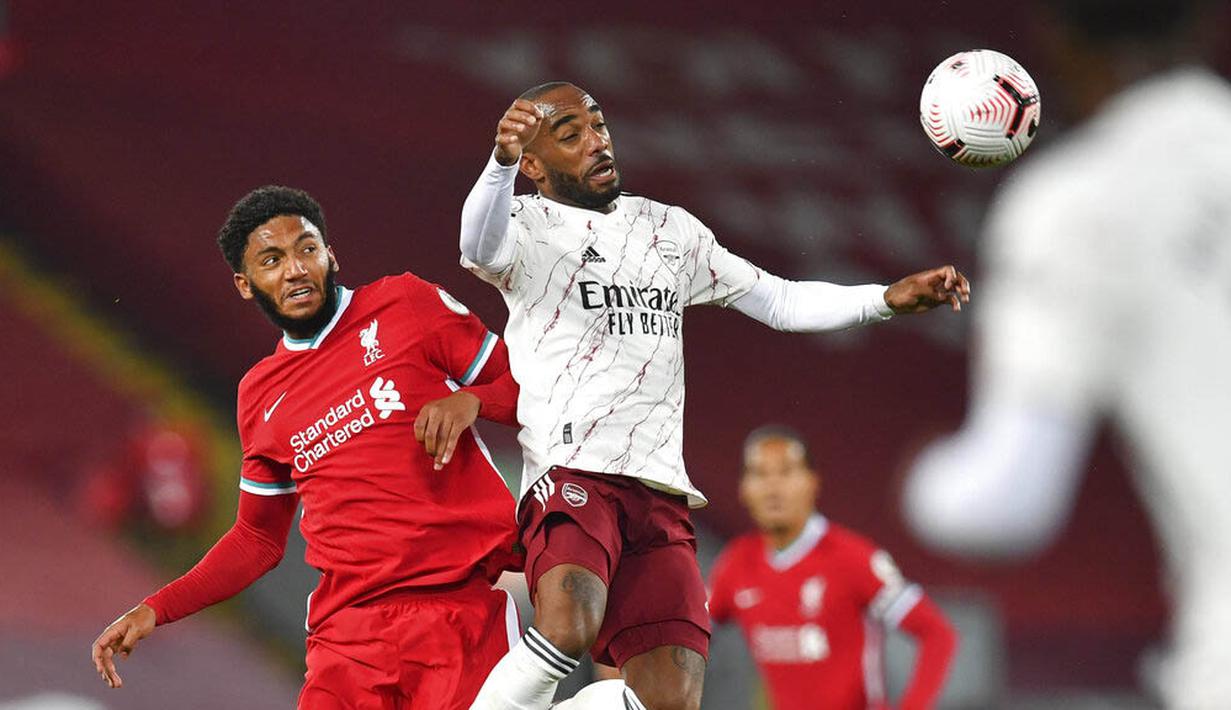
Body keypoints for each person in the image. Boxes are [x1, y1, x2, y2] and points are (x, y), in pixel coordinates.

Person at [460, 81, 971, 710]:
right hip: (573, 473)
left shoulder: (668, 231)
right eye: (571, 135)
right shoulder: (526, 226)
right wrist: (499, 164)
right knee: (569, 626)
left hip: (661, 490)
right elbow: (474, 247)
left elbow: (779, 299)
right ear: (532, 164)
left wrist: (883, 299)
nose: (597, 142)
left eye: (599, 126)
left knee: (666, 700)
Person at [901, 1, 1231, 707]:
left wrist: (922, 477)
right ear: (1202, 24)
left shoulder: (1080, 202)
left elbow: (1003, 502)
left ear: (1054, 37)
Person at [91, 186, 524, 709]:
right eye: (272, 260)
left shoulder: (406, 304)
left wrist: (472, 402)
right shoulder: (260, 394)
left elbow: (530, 393)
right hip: (347, 639)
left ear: (330, 254)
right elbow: (256, 539)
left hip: (456, 612)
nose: (295, 269)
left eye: (307, 248)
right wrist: (155, 608)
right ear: (245, 284)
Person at [710, 427, 957, 710]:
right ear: (743, 488)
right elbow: (690, 634)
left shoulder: (853, 559)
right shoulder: (736, 563)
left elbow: (937, 634)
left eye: (786, 472)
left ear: (812, 482)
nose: (773, 487)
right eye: (760, 474)